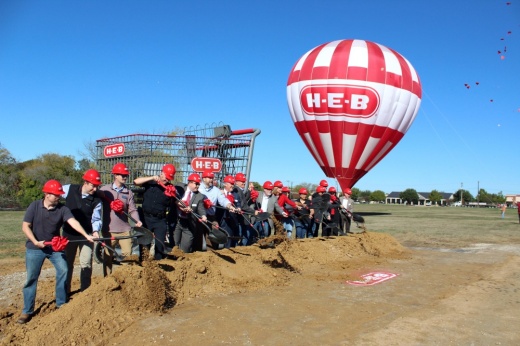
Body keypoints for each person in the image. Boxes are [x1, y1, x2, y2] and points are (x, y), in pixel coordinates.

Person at [18, 180, 95, 324]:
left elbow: (73, 222)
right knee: (31, 279)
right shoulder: (34, 206)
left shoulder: (62, 209)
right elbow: (25, 226)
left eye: (59, 195)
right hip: (35, 248)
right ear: (46, 194)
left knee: (64, 270)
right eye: (55, 195)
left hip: (54, 248)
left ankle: (61, 303)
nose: (59, 197)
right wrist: (35, 242)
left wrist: (86, 235)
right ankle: (27, 311)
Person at [62, 169, 103, 296]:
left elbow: (96, 219)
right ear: (85, 182)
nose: (95, 189)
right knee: (66, 263)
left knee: (86, 263)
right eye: (93, 185)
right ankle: (64, 291)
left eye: (97, 186)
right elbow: (54, 194)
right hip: (68, 234)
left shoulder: (97, 200)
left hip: (87, 236)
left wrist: (95, 231)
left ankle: (85, 292)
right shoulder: (69, 189)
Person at [99, 163, 142, 276]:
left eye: (126, 175)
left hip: (124, 230)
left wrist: (137, 220)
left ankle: (126, 281)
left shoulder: (128, 193)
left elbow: (132, 210)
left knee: (127, 257)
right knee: (108, 256)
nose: (124, 177)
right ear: (115, 175)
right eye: (122, 175)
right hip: (109, 230)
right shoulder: (104, 190)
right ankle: (107, 280)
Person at [133, 163, 176, 260]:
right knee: (144, 244)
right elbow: (136, 181)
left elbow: (178, 202)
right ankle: (144, 264)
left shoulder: (170, 188)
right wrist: (151, 178)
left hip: (160, 220)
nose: (166, 180)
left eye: (169, 178)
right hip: (146, 218)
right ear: (161, 173)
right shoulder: (150, 183)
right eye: (166, 176)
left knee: (159, 245)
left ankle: (158, 264)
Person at [173, 173, 207, 253]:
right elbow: (173, 199)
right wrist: (181, 206)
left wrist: (203, 215)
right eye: (196, 184)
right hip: (177, 221)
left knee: (186, 247)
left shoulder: (199, 196)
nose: (198, 186)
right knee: (174, 244)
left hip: (189, 223)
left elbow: (201, 208)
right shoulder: (180, 188)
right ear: (190, 182)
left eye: (199, 184)